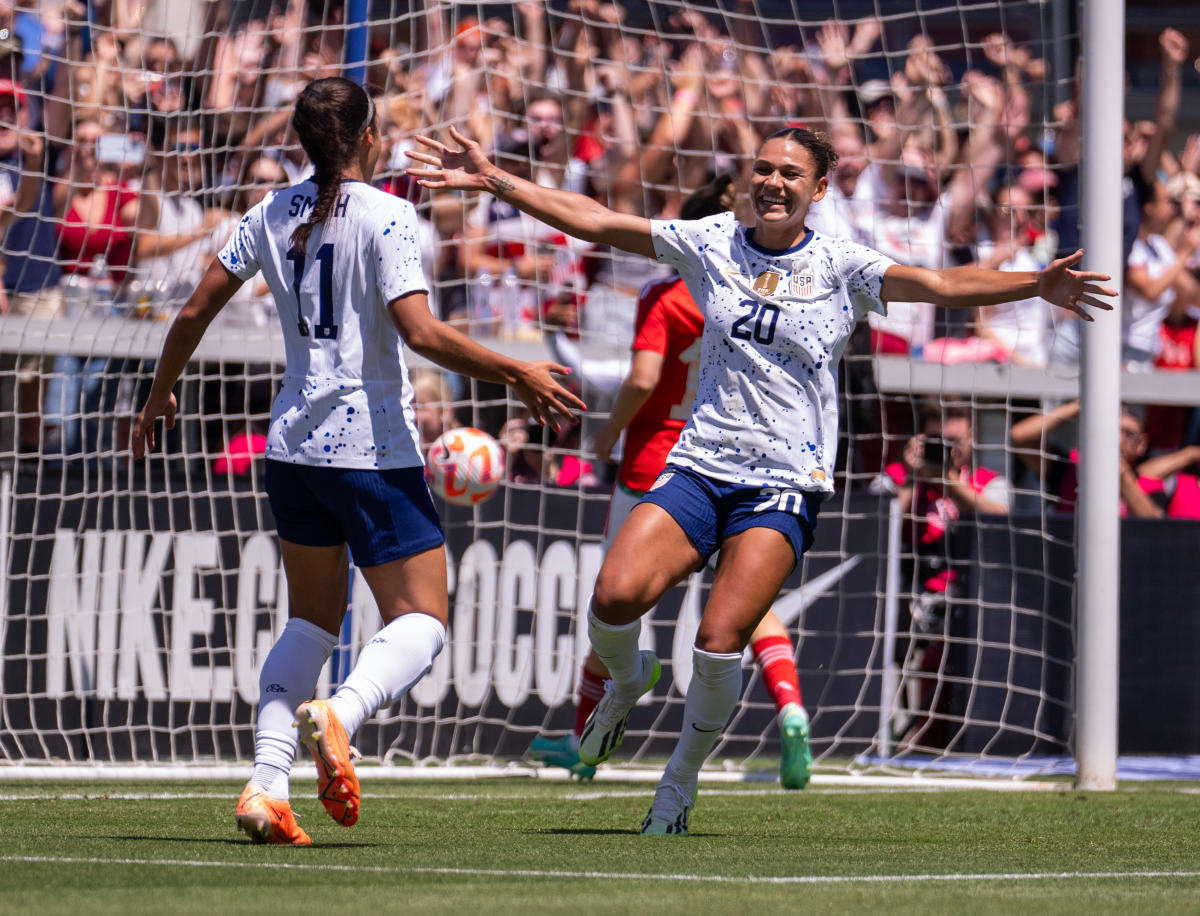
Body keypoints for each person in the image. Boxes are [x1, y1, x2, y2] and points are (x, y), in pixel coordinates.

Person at [408, 123, 1114, 834]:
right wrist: (494, 179)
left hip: (784, 480)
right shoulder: (712, 241)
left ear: (818, 189)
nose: (773, 181)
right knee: (614, 596)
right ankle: (628, 681)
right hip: (699, 464)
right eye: (763, 169)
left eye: (790, 173)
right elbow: (597, 220)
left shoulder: (843, 265)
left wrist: (1036, 283)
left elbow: (937, 282)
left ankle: (678, 782)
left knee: (718, 641)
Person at [132, 77, 585, 846]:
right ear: (369, 138)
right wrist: (518, 370)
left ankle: (265, 787)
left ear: (301, 144)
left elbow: (190, 311)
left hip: (292, 449)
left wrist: (158, 397)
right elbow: (422, 334)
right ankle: (337, 716)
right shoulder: (388, 215)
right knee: (424, 619)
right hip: (372, 448)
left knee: (311, 620)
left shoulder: (269, 212)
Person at [529, 178, 815, 790]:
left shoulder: (669, 292)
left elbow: (642, 377)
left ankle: (586, 749)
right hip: (742, 464)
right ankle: (790, 706)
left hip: (662, 465)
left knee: (616, 605)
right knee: (744, 608)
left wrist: (603, 438)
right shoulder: (760, 292)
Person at [873, 404, 1011, 748]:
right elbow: (874, 518)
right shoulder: (900, 475)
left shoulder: (988, 481)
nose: (946, 448)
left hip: (969, 595)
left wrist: (945, 480)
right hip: (908, 590)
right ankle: (895, 738)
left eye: (953, 440)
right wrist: (911, 475)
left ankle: (943, 739)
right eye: (937, 440)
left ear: (972, 439)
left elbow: (999, 515)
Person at [1010, 400, 1178, 518]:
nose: (1119, 439)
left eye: (1129, 434)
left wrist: (1122, 477)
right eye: (1113, 429)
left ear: (1142, 444)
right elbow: (1019, 436)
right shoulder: (1072, 469)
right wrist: (1080, 404)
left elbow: (1155, 526)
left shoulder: (1149, 483)